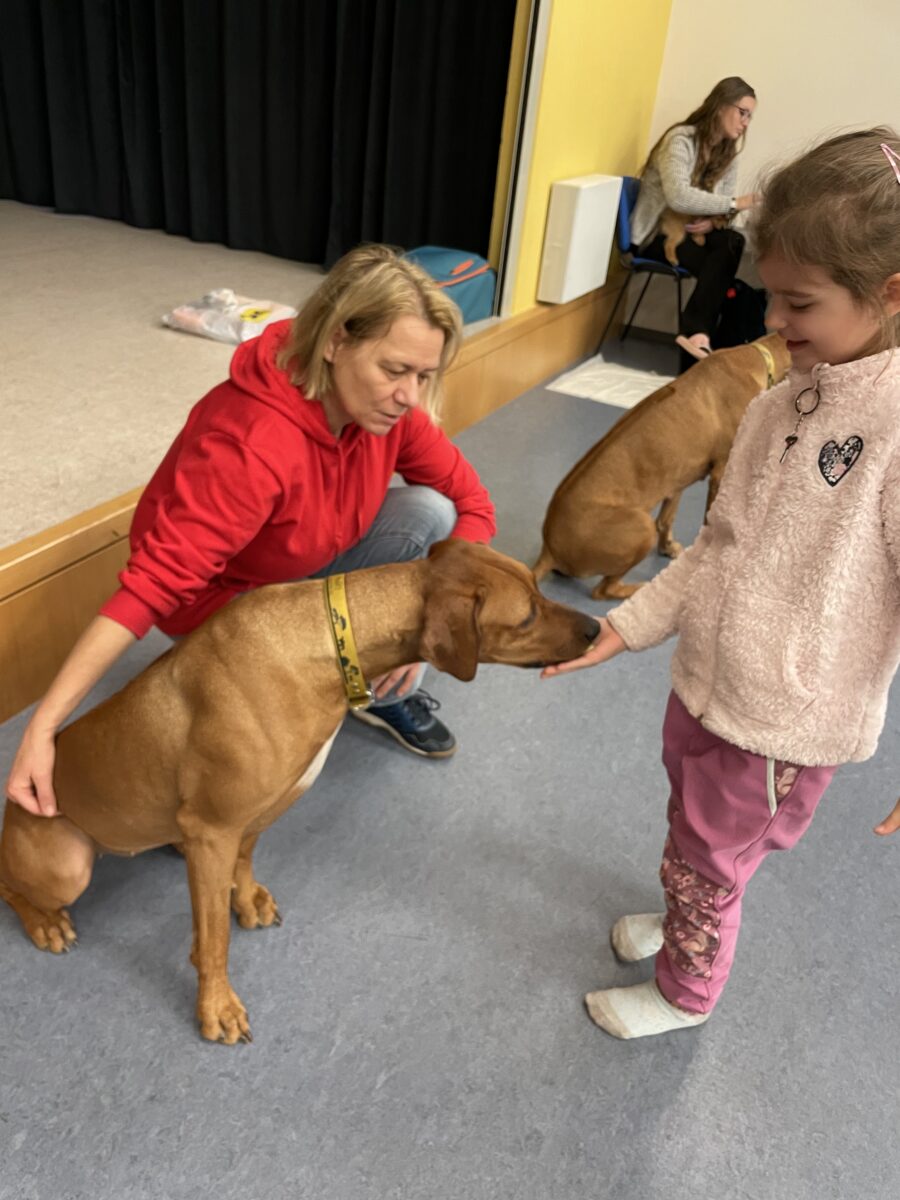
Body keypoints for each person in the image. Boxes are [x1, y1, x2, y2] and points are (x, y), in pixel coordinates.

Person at [543, 128, 900, 1039]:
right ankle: (684, 911)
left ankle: (684, 994)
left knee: (714, 860)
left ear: (891, 294)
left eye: (800, 303)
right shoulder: (775, 403)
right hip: (709, 683)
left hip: (781, 718)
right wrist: (626, 626)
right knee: (695, 834)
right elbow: (716, 546)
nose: (774, 320)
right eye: (771, 293)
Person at [6, 244, 496, 819]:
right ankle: (212, 768)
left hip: (304, 558)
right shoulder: (250, 445)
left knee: (431, 511)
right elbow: (149, 589)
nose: (409, 395)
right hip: (224, 596)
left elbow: (474, 504)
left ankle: (368, 688)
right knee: (252, 759)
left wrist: (431, 627)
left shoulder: (392, 413)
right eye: (393, 370)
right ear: (335, 342)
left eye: (423, 375)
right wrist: (43, 726)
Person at [630, 76, 759, 363]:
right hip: (659, 234)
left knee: (731, 242)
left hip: (694, 233)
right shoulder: (681, 140)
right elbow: (679, 197)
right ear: (721, 105)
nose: (746, 123)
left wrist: (713, 222)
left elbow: (722, 212)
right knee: (721, 276)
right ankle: (701, 339)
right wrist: (735, 203)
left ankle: (698, 338)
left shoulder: (728, 155)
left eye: (750, 116)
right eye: (742, 112)